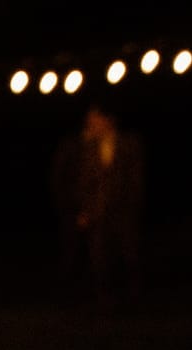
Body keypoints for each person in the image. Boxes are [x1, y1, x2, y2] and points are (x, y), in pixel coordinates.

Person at [52, 106, 145, 300]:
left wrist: (132, 208)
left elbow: (135, 180)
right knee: (100, 261)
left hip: (123, 213)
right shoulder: (87, 148)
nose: (90, 125)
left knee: (130, 258)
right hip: (97, 213)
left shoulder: (128, 144)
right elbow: (83, 182)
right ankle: (105, 303)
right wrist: (84, 211)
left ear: (107, 120)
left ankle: (134, 300)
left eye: (94, 120)